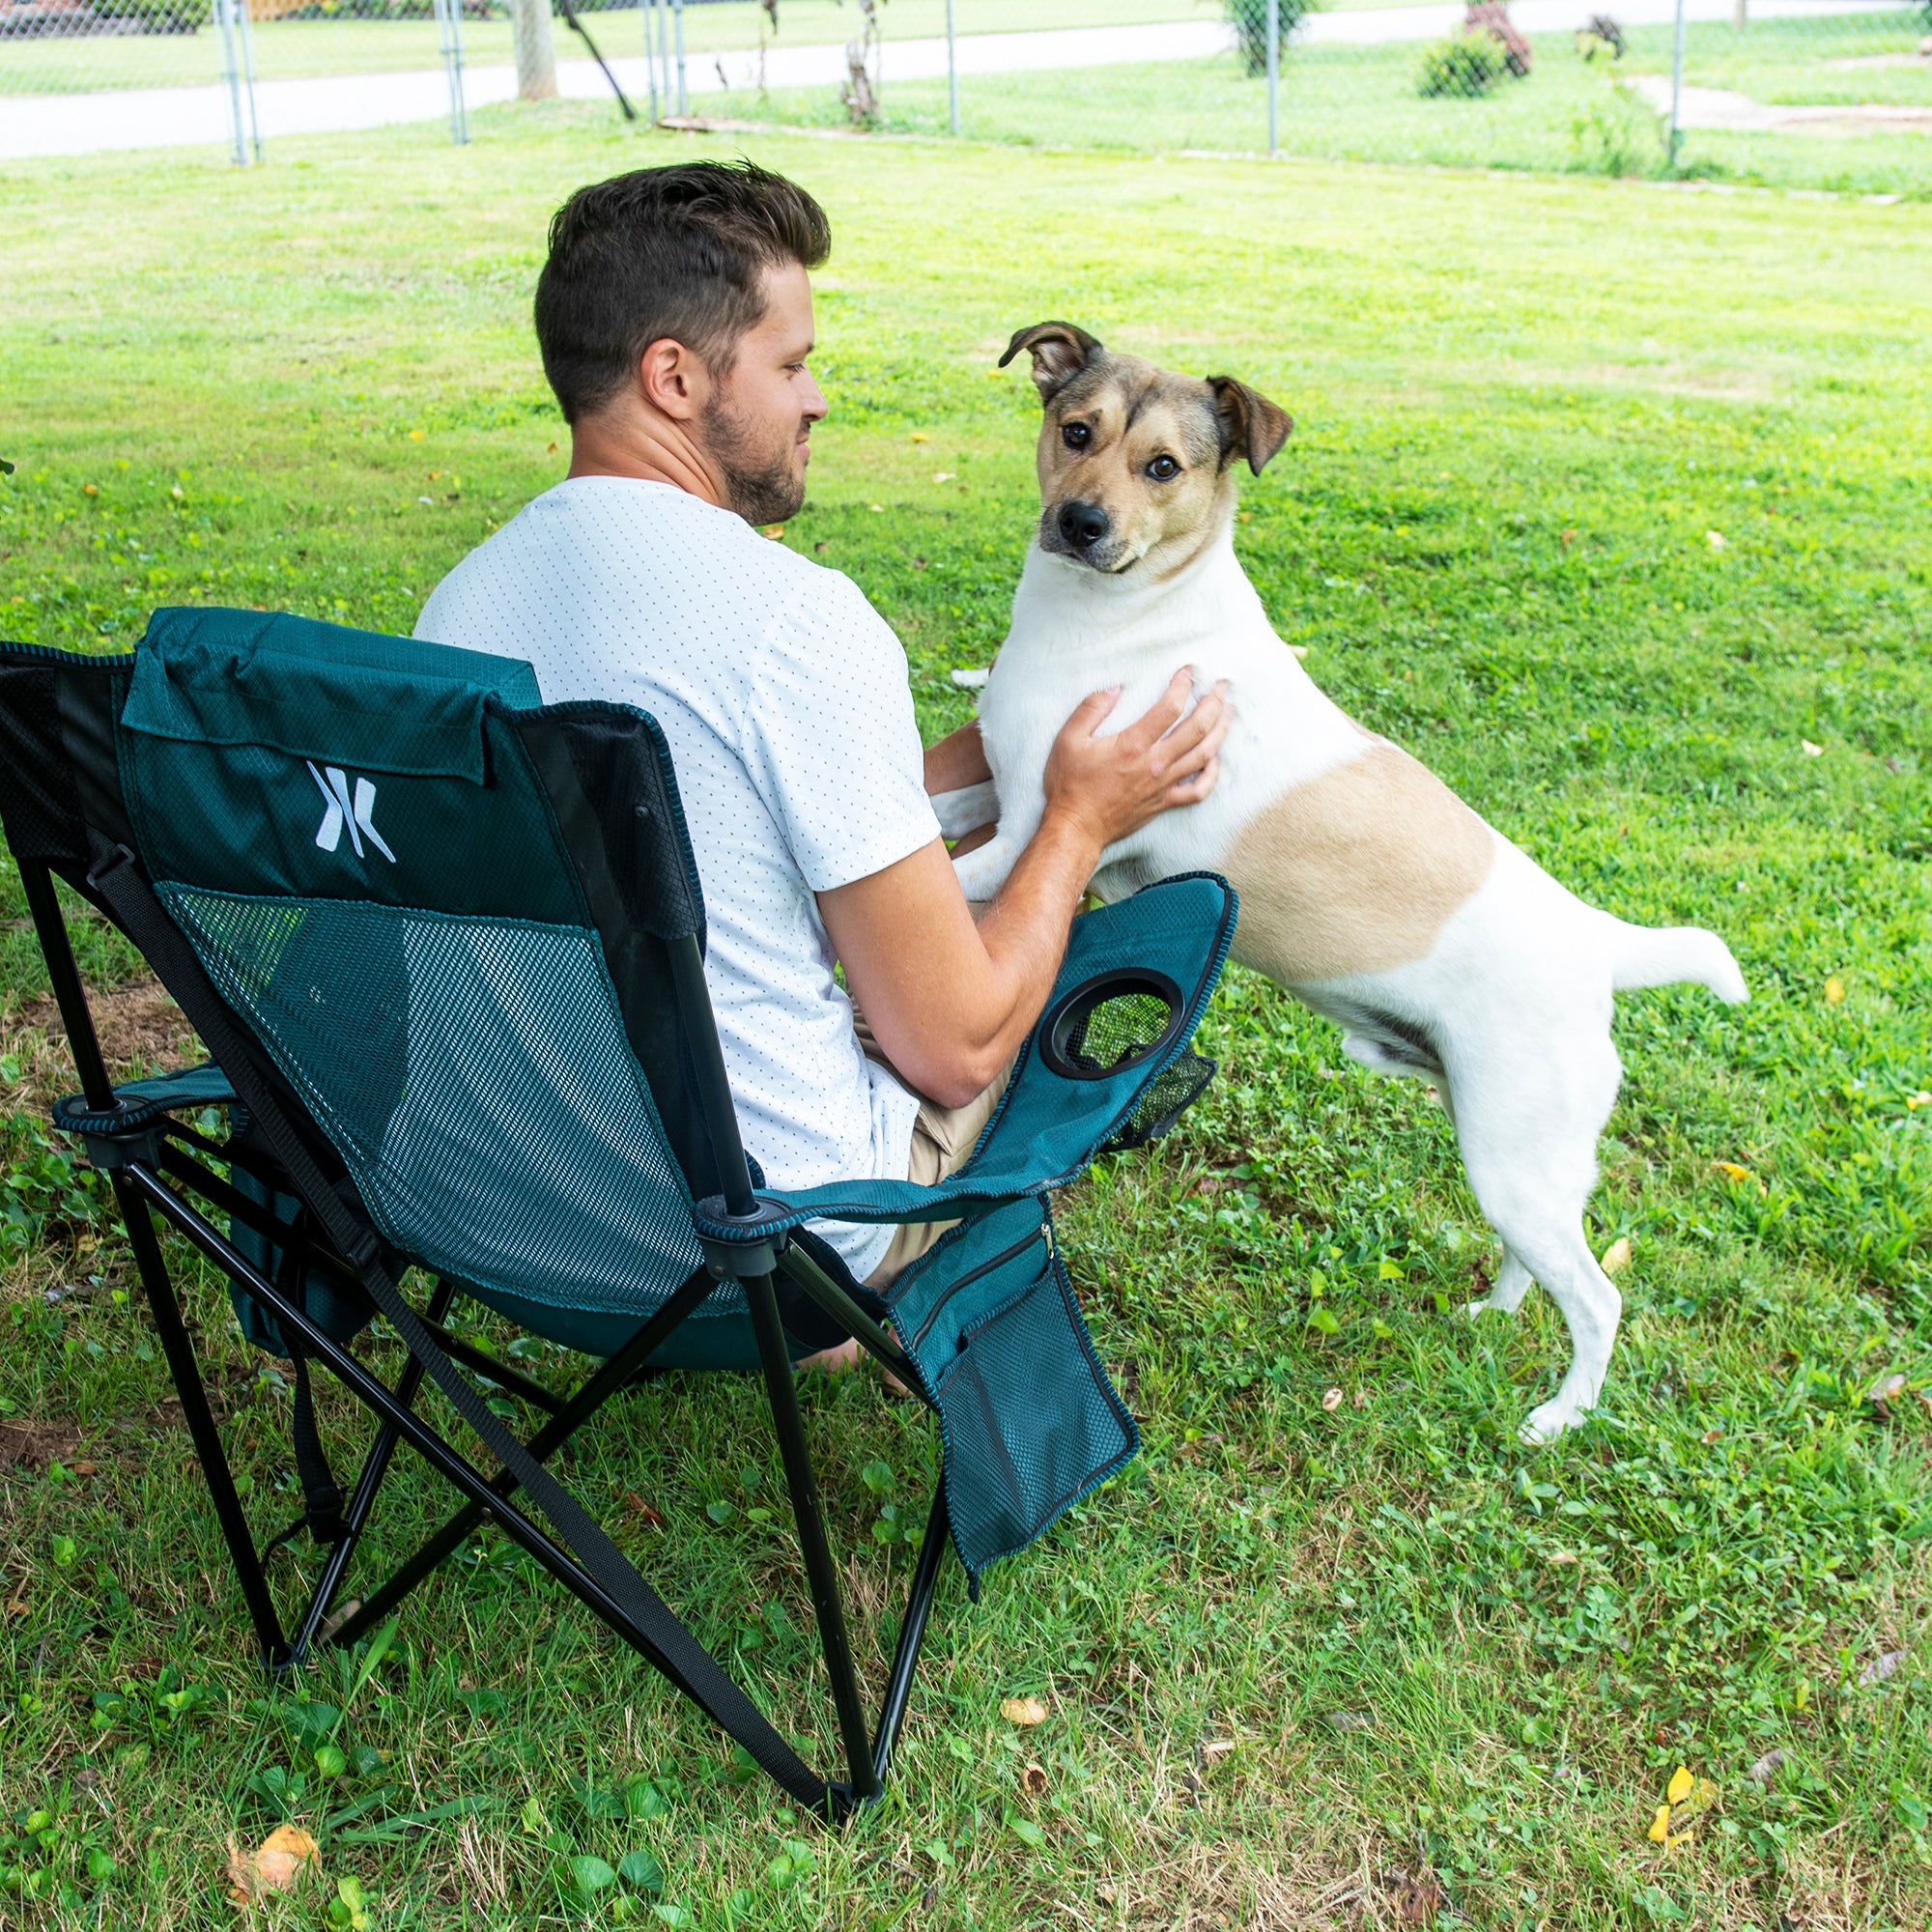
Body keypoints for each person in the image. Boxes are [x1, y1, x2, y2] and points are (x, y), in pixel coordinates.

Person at [414, 160, 1229, 1340]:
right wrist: (1076, 824)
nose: (816, 401)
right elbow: (951, 1051)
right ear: (675, 376)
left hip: (518, 1211)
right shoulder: (791, 624)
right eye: (791, 365)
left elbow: (741, 793)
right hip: (766, 1242)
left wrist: (1000, 764)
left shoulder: (462, 603)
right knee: (1021, 965)